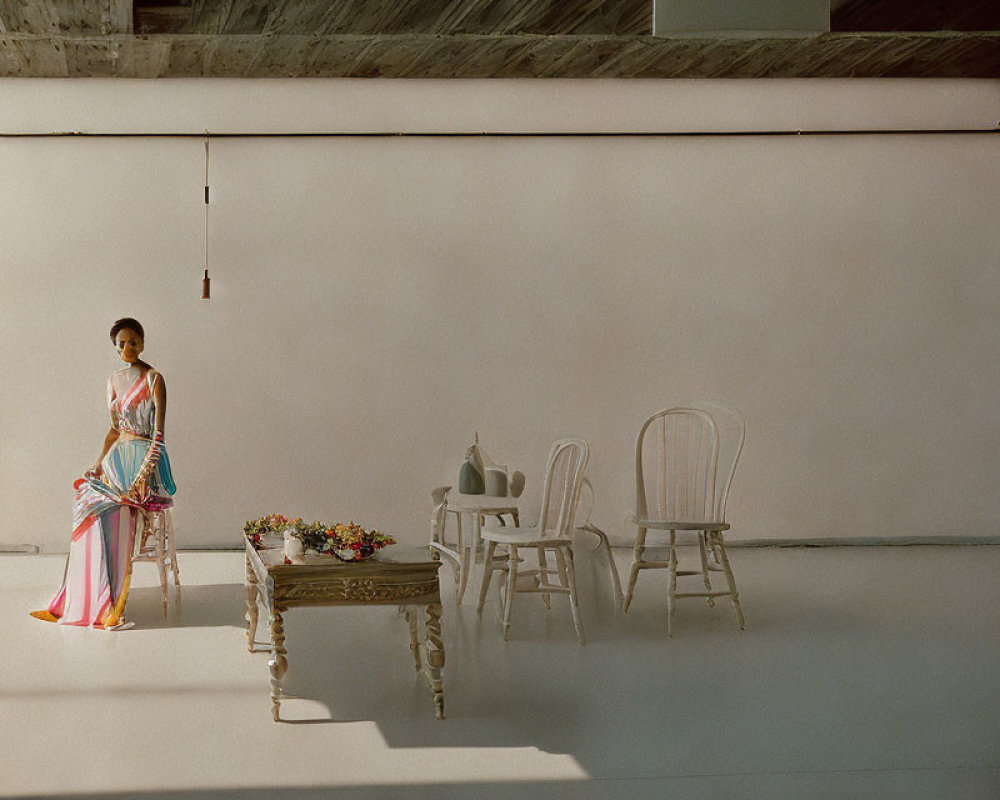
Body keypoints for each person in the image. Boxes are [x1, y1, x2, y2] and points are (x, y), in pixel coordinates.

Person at [31, 318, 176, 629]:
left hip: (144, 463)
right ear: (115, 347)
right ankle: (71, 601)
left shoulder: (154, 379)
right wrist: (98, 462)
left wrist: (144, 473)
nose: (127, 348)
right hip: (116, 458)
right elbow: (114, 430)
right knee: (84, 504)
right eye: (121, 343)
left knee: (117, 511)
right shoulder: (113, 380)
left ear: (143, 342)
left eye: (133, 342)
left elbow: (159, 436)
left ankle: (114, 605)